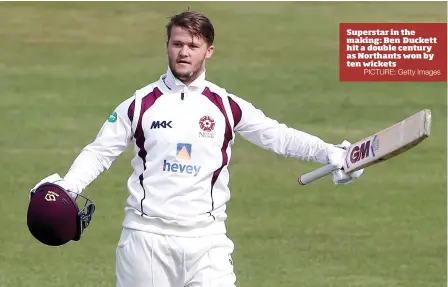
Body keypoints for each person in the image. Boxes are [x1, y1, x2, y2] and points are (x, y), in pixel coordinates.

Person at [30, 10, 363, 287]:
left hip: (208, 241)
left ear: (209, 51)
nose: (184, 52)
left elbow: (277, 135)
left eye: (193, 44)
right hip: (146, 240)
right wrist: (68, 187)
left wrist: (330, 153)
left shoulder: (225, 105)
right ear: (167, 46)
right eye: (177, 44)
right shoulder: (140, 104)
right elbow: (100, 151)